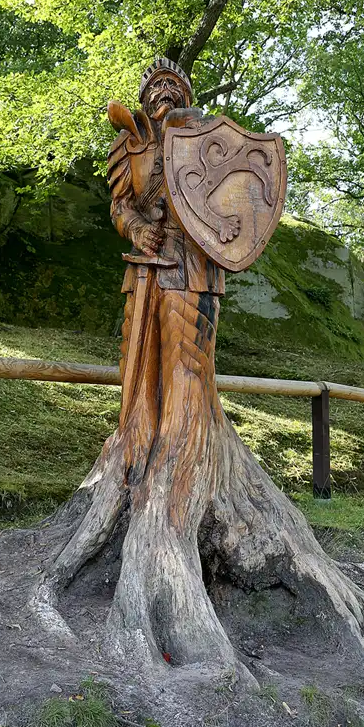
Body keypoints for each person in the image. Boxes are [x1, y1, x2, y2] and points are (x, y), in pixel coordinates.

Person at [106, 58, 226, 499]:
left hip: (192, 266)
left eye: (173, 84)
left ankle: (183, 461)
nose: (164, 91)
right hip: (144, 267)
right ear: (144, 97)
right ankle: (134, 453)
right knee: (135, 360)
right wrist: (137, 229)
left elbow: (226, 198)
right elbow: (120, 205)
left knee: (187, 359)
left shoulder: (204, 140)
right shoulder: (128, 144)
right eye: (156, 85)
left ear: (187, 95)